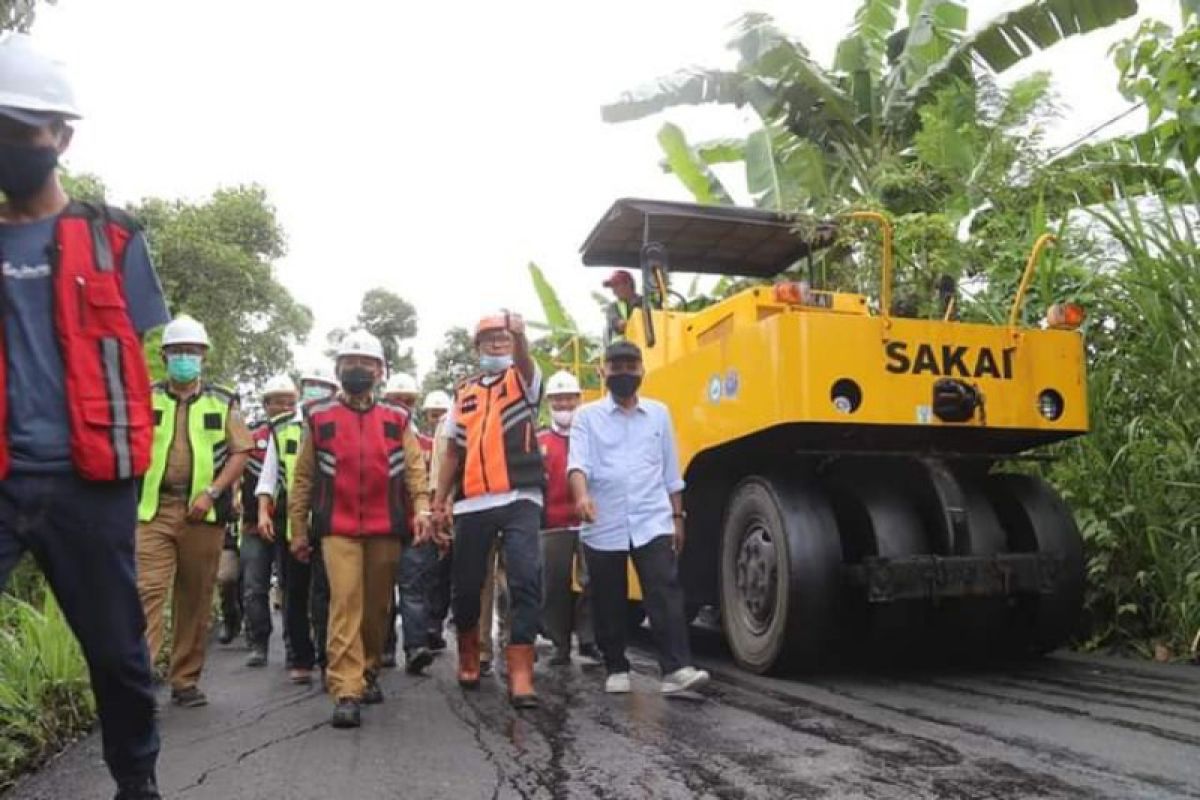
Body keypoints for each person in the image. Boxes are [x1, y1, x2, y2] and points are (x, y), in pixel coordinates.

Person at [0, 33, 167, 800]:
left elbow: (132, 349)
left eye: (18, 130)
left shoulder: (115, 237)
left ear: (60, 136)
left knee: (118, 654)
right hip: (3, 475)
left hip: (88, 484)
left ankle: (136, 782)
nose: (6, 145)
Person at [288, 331, 432, 729]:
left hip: (387, 526)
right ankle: (346, 688)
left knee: (377, 608)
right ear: (338, 369)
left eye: (366, 363)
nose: (357, 369)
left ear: (380, 370)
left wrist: (422, 509)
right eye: (350, 362)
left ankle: (367, 670)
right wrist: (298, 528)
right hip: (338, 527)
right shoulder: (318, 417)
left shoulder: (397, 418)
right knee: (345, 602)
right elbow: (303, 478)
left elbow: (416, 472)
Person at [568, 340, 709, 696]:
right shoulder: (587, 416)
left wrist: (678, 517)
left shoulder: (659, 413)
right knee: (608, 596)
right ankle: (616, 665)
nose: (624, 373)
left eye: (631, 366)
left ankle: (676, 670)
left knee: (664, 589)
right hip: (604, 519)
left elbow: (671, 471)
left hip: (652, 517)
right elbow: (578, 464)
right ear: (603, 372)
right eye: (616, 367)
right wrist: (582, 497)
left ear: (642, 371)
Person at [136, 314, 252, 708]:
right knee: (146, 592)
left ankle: (184, 680)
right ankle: (139, 680)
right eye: (177, 352)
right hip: (153, 510)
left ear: (203, 356)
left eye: (192, 352)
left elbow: (242, 451)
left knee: (195, 597)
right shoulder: (145, 396)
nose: (184, 358)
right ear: (165, 355)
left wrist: (213, 491)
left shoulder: (223, 400)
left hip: (203, 514)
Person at [433, 312, 545, 709]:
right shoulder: (463, 392)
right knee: (465, 587)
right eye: (489, 340)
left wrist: (521, 337)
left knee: (525, 579)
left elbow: (528, 364)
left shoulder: (523, 379)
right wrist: (439, 500)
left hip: (520, 497)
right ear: (476, 348)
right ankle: (468, 652)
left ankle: (521, 671)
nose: (498, 345)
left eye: (503, 339)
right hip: (472, 501)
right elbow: (452, 451)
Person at [539, 371, 600, 666]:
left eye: (570, 398)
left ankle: (588, 641)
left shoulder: (593, 437)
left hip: (589, 521)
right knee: (554, 586)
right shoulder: (540, 440)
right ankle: (559, 644)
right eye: (558, 398)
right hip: (552, 524)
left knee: (593, 581)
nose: (564, 403)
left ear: (579, 399)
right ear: (550, 401)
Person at [240, 374, 298, 668]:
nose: (285, 407)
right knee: (254, 585)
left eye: (290, 402)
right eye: (278, 402)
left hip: (288, 523)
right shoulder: (251, 436)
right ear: (266, 404)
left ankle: (293, 644)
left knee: (290, 586)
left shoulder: (300, 432)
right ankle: (258, 641)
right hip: (253, 523)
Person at [380, 370, 432, 672]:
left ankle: (415, 647)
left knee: (412, 588)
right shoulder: (376, 435)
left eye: (408, 399)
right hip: (383, 523)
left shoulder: (425, 443)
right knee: (382, 589)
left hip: (414, 524)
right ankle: (383, 647)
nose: (402, 404)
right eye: (396, 398)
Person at [422, 390, 454, 652]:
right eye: (433, 414)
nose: (437, 418)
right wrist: (436, 510)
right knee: (438, 572)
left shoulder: (456, 423)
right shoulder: (435, 436)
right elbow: (435, 477)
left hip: (467, 507)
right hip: (442, 510)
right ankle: (433, 624)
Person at [603, 269, 643, 342]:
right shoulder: (613, 307)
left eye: (616, 285)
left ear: (628, 284)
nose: (614, 291)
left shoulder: (645, 302)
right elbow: (618, 324)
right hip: (625, 350)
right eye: (612, 287)